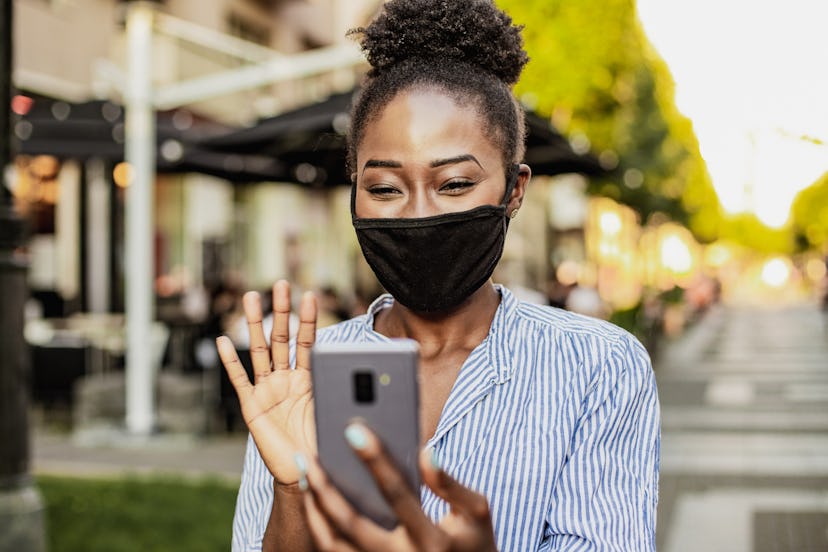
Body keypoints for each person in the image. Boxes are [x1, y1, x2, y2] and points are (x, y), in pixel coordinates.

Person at [216, 1, 660, 550]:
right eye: (383, 189)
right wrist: (292, 487)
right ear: (353, 191)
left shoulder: (598, 369)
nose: (419, 213)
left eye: (453, 184)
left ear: (515, 190)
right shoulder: (301, 380)